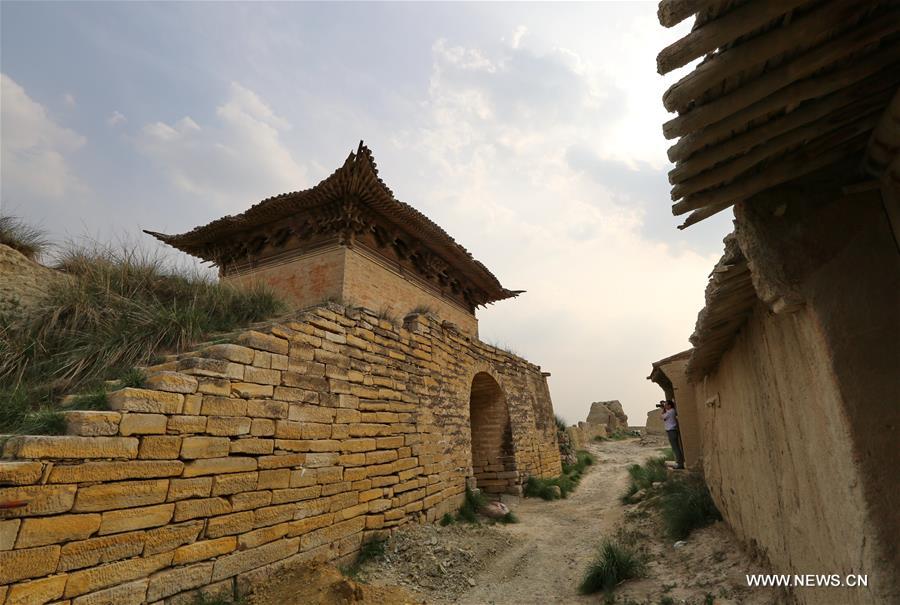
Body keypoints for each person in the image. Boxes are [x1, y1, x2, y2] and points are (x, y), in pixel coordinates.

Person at [661, 400, 685, 469]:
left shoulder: (670, 411)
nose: (665, 406)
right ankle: (679, 462)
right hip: (672, 431)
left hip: (671, 431)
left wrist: (663, 409)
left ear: (670, 406)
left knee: (675, 448)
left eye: (666, 405)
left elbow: (662, 417)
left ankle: (680, 464)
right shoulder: (671, 411)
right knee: (675, 447)